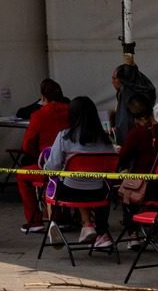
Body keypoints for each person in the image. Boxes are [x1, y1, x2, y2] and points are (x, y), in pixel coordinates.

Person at [41, 95, 118, 248]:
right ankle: (91, 227)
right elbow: (110, 167)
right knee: (85, 180)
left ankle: (53, 224)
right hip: (98, 192)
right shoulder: (105, 139)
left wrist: (46, 167)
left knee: (52, 184)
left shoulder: (64, 136)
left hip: (70, 191)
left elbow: (53, 167)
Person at [14, 79, 70, 233]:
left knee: (21, 175)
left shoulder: (39, 115)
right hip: (74, 165)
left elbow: (27, 145)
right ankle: (66, 218)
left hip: (49, 166)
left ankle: (34, 220)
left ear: (42, 97)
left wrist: (39, 156)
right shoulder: (72, 111)